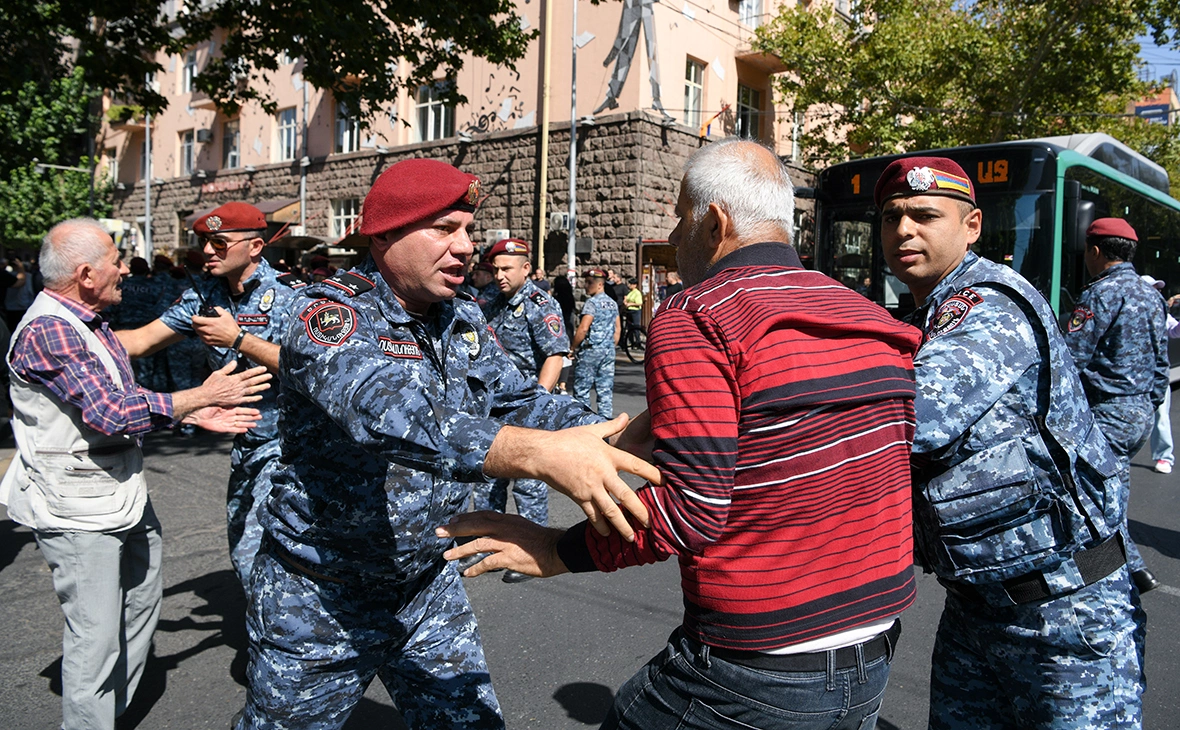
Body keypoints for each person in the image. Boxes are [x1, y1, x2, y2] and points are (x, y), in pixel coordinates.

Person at [441, 138, 923, 730]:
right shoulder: (870, 315)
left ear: (714, 221)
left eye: (679, 215)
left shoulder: (700, 314)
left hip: (757, 661)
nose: (672, 235)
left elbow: (693, 509)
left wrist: (555, 550)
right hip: (874, 643)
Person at [236, 158, 659, 730]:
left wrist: (628, 435)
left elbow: (517, 400)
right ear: (383, 234)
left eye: (468, 230)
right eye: (444, 228)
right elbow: (389, 415)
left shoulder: (457, 317)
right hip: (319, 598)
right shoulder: (327, 313)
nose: (466, 247)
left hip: (426, 585)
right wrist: (533, 453)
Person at [873, 157, 1143, 729]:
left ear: (971, 226)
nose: (903, 231)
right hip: (978, 607)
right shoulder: (929, 312)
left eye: (924, 215)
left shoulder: (989, 303)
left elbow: (904, 417)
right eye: (892, 217)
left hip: (1066, 613)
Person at [0, 218, 269, 730]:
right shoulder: (52, 328)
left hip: (115, 492)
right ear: (84, 274)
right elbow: (112, 412)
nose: (125, 268)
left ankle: (109, 712)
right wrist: (199, 397)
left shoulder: (86, 319)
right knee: (96, 636)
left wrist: (187, 413)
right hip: (79, 509)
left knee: (141, 600)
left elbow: (126, 395)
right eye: (115, 260)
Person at [115, 201, 304, 588]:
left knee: (261, 556)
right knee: (241, 547)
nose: (206, 252)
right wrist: (68, 330)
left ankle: (275, 644)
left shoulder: (292, 296)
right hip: (247, 442)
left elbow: (313, 369)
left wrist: (238, 339)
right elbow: (139, 341)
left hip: (293, 447)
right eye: (204, 242)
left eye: (219, 243)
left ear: (254, 246)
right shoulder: (205, 298)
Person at [1064, 217, 1169, 595]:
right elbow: (1161, 361)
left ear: (1095, 251)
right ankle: (1128, 570)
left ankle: (1125, 573)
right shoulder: (1151, 295)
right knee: (1111, 492)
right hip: (1139, 411)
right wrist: (1148, 402)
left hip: (1106, 412)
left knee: (1097, 499)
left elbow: (1071, 359)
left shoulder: (1099, 294)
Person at [474, 238, 571, 582]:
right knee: (489, 481)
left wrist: (537, 405)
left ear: (526, 268)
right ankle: (490, 547)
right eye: (495, 269)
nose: (499, 275)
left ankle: (531, 552)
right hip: (491, 408)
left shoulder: (539, 304)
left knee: (528, 482)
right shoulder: (491, 302)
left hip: (526, 407)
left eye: (506, 269)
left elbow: (554, 356)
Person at [571, 268, 620, 418]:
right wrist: (611, 345)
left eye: (589, 282)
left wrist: (573, 347)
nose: (586, 285)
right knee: (605, 389)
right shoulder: (612, 303)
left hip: (591, 351)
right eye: (585, 282)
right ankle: (605, 424)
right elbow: (618, 328)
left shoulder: (591, 303)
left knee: (581, 389)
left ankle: (583, 422)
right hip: (608, 350)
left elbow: (583, 328)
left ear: (600, 285)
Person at [1150, 282, 1180, 474]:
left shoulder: (1162, 314)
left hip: (1156, 374)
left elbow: (1175, 331)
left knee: (1161, 415)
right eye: (1153, 288)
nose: (1157, 293)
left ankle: (1164, 456)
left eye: (1158, 289)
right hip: (1128, 378)